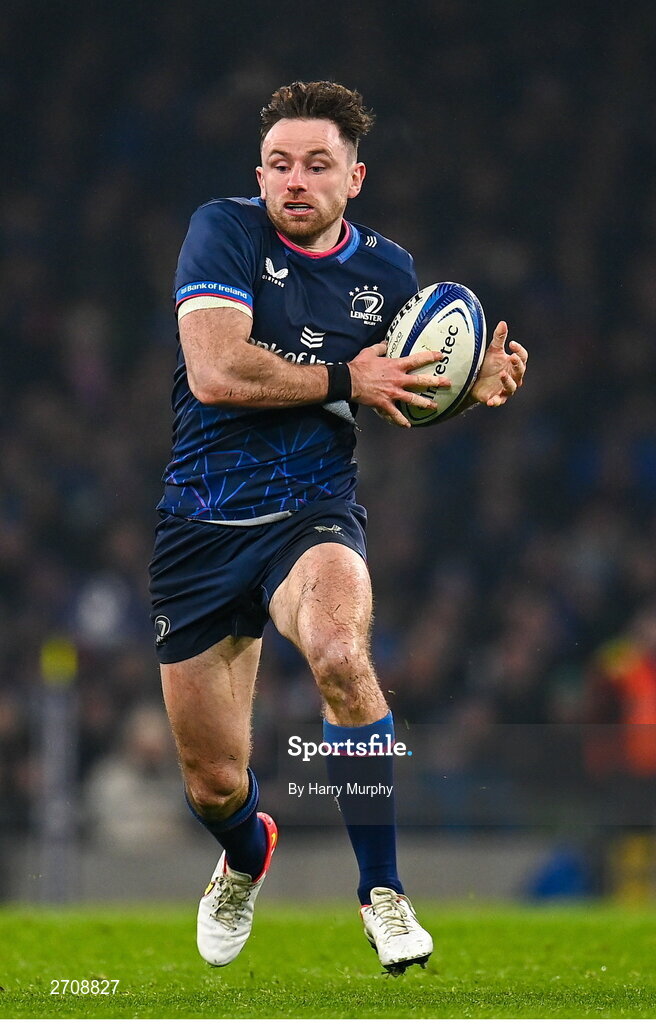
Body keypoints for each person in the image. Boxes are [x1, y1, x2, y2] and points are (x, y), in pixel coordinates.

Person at [149, 80, 527, 975]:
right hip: (200, 525)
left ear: (354, 178)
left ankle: (383, 894)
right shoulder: (223, 230)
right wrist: (347, 381)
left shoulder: (391, 276)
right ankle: (247, 852)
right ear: (259, 174)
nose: (296, 180)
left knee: (339, 656)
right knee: (214, 786)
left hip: (311, 517)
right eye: (280, 164)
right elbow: (214, 371)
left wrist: (463, 392)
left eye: (318, 164)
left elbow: (393, 394)